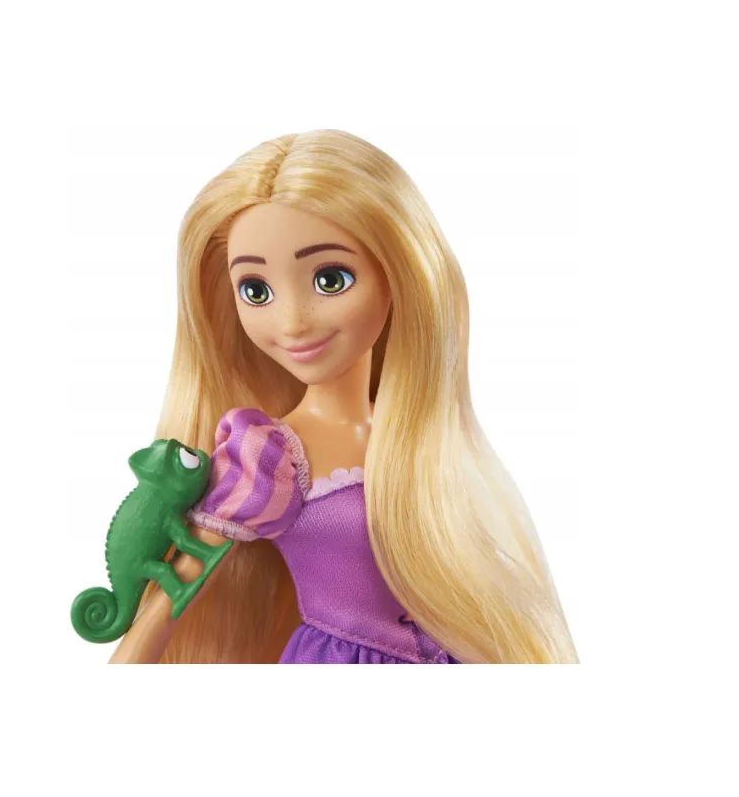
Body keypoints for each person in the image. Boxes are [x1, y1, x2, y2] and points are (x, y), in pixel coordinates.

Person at [109, 129, 578, 664]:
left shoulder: (429, 440)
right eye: (256, 290)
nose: (292, 321)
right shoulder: (266, 457)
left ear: (398, 274)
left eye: (330, 279)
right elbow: (180, 588)